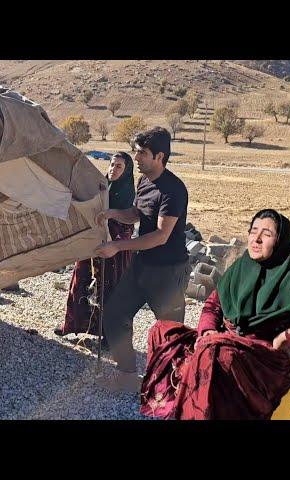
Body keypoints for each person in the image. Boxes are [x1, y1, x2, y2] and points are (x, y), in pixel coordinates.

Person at [140, 209, 290, 420]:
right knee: (162, 331)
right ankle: (177, 405)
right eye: (254, 231)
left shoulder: (289, 280)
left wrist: (288, 337)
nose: (257, 239)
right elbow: (213, 305)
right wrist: (207, 331)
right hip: (222, 341)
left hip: (261, 355)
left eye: (267, 234)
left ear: (280, 242)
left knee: (217, 354)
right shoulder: (241, 269)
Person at [94, 127, 191, 393]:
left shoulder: (174, 190)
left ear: (160, 156)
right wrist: (114, 213)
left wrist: (117, 246)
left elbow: (161, 235)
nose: (136, 158)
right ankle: (127, 375)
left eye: (142, 153)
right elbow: (138, 213)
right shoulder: (144, 181)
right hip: (142, 264)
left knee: (171, 333)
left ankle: (177, 387)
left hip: (168, 272)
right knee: (114, 314)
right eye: (136, 152)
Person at [55, 152, 135, 344]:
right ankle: (73, 325)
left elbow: (128, 225)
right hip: (92, 243)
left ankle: (110, 337)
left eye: (118, 167)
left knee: (111, 291)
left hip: (114, 250)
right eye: (112, 164)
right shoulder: (101, 187)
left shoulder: (127, 193)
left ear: (126, 171)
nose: (113, 169)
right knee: (81, 281)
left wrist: (113, 236)